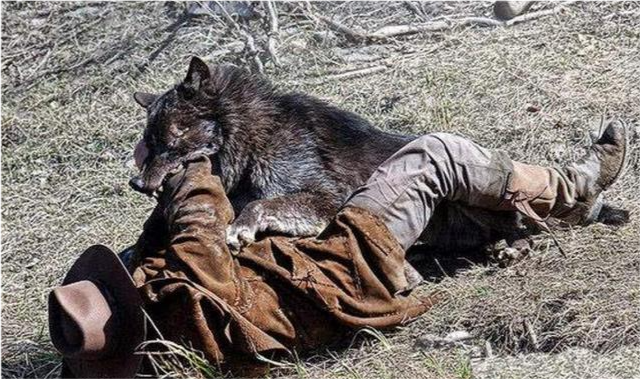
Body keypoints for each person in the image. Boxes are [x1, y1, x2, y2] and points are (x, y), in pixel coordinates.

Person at [48, 120, 627, 379]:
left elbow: (173, 246)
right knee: (436, 154)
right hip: (347, 262)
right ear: (129, 302)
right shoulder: (183, 302)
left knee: (441, 195)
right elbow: (201, 221)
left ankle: (564, 210)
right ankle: (573, 186)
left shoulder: (162, 337)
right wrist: (177, 161)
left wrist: (142, 244)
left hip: (334, 272)